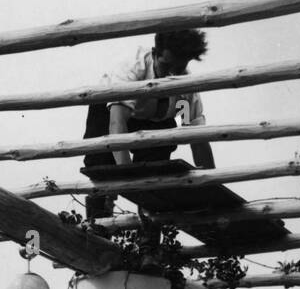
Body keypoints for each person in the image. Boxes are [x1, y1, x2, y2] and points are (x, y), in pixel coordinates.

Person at [82, 28, 214, 225]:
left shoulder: (184, 94)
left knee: (155, 172)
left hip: (155, 121)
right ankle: (98, 222)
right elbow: (117, 123)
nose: (170, 74)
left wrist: (211, 186)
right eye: (166, 65)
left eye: (178, 68)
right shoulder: (133, 70)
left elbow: (195, 139)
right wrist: (127, 177)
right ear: (156, 52)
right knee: (102, 163)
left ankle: (149, 237)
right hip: (112, 112)